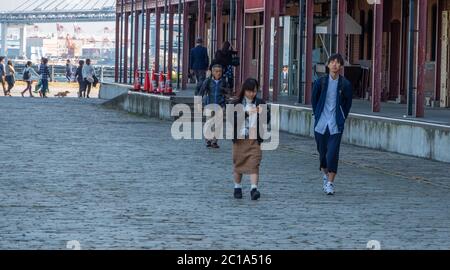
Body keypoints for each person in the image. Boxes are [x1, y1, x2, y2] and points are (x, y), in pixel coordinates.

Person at [311, 54, 353, 195]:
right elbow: (314, 99)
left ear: (341, 66)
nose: (335, 65)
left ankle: (330, 183)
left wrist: (342, 116)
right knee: (323, 154)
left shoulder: (345, 84)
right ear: (328, 65)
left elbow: (348, 103)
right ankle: (325, 175)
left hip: (336, 124)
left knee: (332, 154)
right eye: (332, 62)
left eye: (338, 63)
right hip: (321, 123)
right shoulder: (320, 82)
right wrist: (317, 114)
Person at [229, 78, 270, 200]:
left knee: (254, 163)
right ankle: (237, 187)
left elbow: (266, 120)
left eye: (254, 91)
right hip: (240, 138)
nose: (252, 94)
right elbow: (233, 120)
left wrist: (263, 113)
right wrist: (247, 113)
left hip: (254, 138)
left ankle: (254, 189)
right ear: (244, 90)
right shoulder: (236, 103)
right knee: (238, 163)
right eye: (249, 91)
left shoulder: (260, 102)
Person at [198, 64, 228, 149]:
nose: (218, 73)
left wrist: (226, 99)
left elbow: (227, 93)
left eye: (220, 71)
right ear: (212, 72)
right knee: (209, 123)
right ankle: (208, 139)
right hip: (209, 105)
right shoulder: (208, 81)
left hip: (220, 105)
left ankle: (215, 141)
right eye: (216, 71)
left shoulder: (224, 82)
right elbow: (201, 92)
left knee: (218, 124)